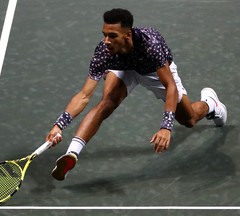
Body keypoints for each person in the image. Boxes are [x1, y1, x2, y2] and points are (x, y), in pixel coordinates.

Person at [46, 8, 227, 181]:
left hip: (154, 71)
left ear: (128, 35)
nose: (106, 41)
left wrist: (166, 127)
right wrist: (59, 125)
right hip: (123, 68)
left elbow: (170, 85)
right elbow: (84, 95)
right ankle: (72, 153)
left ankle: (211, 104)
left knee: (189, 120)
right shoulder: (103, 51)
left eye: (112, 36)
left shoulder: (150, 45)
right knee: (106, 103)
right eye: (104, 35)